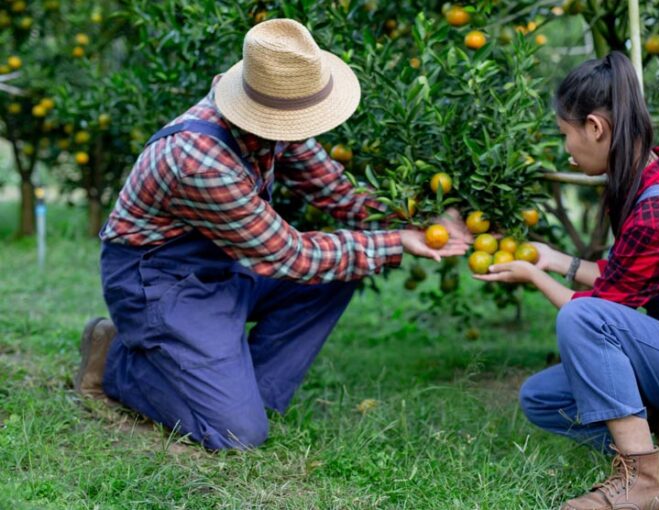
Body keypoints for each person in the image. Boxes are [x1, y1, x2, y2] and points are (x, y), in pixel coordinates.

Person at [74, 19, 471, 451]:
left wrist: (420, 217)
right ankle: (116, 362)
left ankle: (241, 392)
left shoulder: (274, 116)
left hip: (225, 265)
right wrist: (397, 243)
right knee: (235, 435)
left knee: (340, 272)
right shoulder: (200, 161)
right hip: (160, 283)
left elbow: (337, 192)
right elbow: (290, 256)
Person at [475, 51, 659, 510]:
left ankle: (643, 480)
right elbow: (619, 283)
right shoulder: (640, 181)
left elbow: (599, 313)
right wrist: (552, 259)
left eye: (566, 135)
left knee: (582, 317)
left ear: (595, 127)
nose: (567, 149)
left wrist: (534, 275)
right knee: (543, 398)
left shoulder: (657, 206)